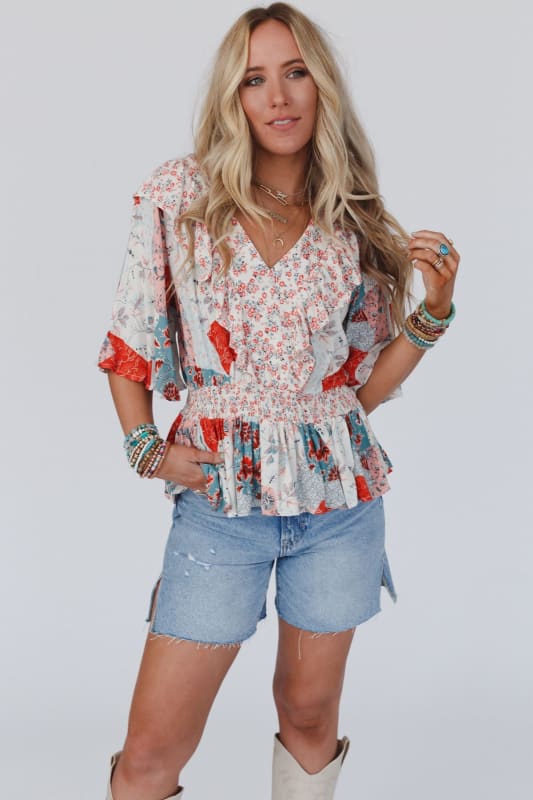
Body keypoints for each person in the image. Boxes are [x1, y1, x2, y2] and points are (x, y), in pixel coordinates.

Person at [97, 4, 459, 799]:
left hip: (337, 509)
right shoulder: (181, 195)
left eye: (295, 72)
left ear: (320, 84)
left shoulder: (352, 219)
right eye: (254, 79)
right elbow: (129, 336)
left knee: (308, 715)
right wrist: (146, 449)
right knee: (151, 754)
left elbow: (357, 392)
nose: (278, 96)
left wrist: (433, 312)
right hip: (219, 503)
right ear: (233, 97)